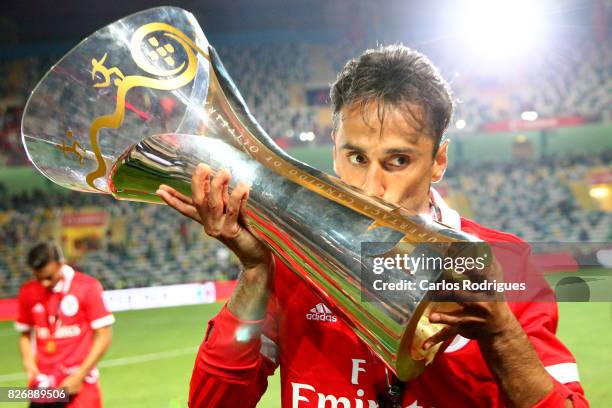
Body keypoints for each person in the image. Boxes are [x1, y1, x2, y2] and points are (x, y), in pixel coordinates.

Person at [157, 45, 588, 407]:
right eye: (356, 157)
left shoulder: (503, 264)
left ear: (439, 160)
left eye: (398, 161)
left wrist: (500, 333)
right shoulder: (290, 258)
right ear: (334, 149)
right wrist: (255, 274)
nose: (371, 188)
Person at [15, 242, 114, 407]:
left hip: (79, 384)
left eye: (49, 277)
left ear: (61, 263)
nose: (44, 283)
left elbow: (104, 335)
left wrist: (80, 375)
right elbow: (25, 334)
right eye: (39, 278)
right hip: (44, 385)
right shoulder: (28, 291)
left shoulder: (87, 287)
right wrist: (30, 366)